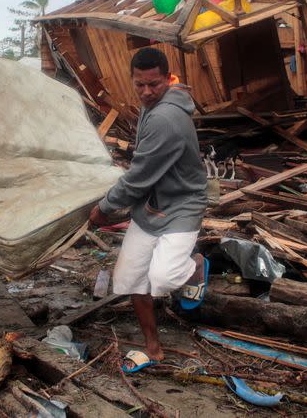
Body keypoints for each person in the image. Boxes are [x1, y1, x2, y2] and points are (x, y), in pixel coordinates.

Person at [89, 47, 208, 373]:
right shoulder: (150, 107)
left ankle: (196, 266)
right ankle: (152, 347)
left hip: (184, 203)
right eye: (139, 84)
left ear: (167, 80)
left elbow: (138, 177)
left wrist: (104, 208)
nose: (145, 92)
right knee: (129, 279)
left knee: (163, 277)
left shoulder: (166, 118)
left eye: (153, 85)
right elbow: (143, 174)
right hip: (152, 205)